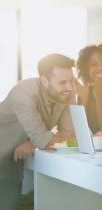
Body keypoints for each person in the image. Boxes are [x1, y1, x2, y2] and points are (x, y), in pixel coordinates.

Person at [0, 54, 77, 210]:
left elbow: (70, 137)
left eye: (72, 81)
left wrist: (33, 142)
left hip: (19, 159)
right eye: (62, 82)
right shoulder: (23, 93)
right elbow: (45, 141)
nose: (69, 87)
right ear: (44, 81)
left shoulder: (66, 94)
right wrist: (41, 140)